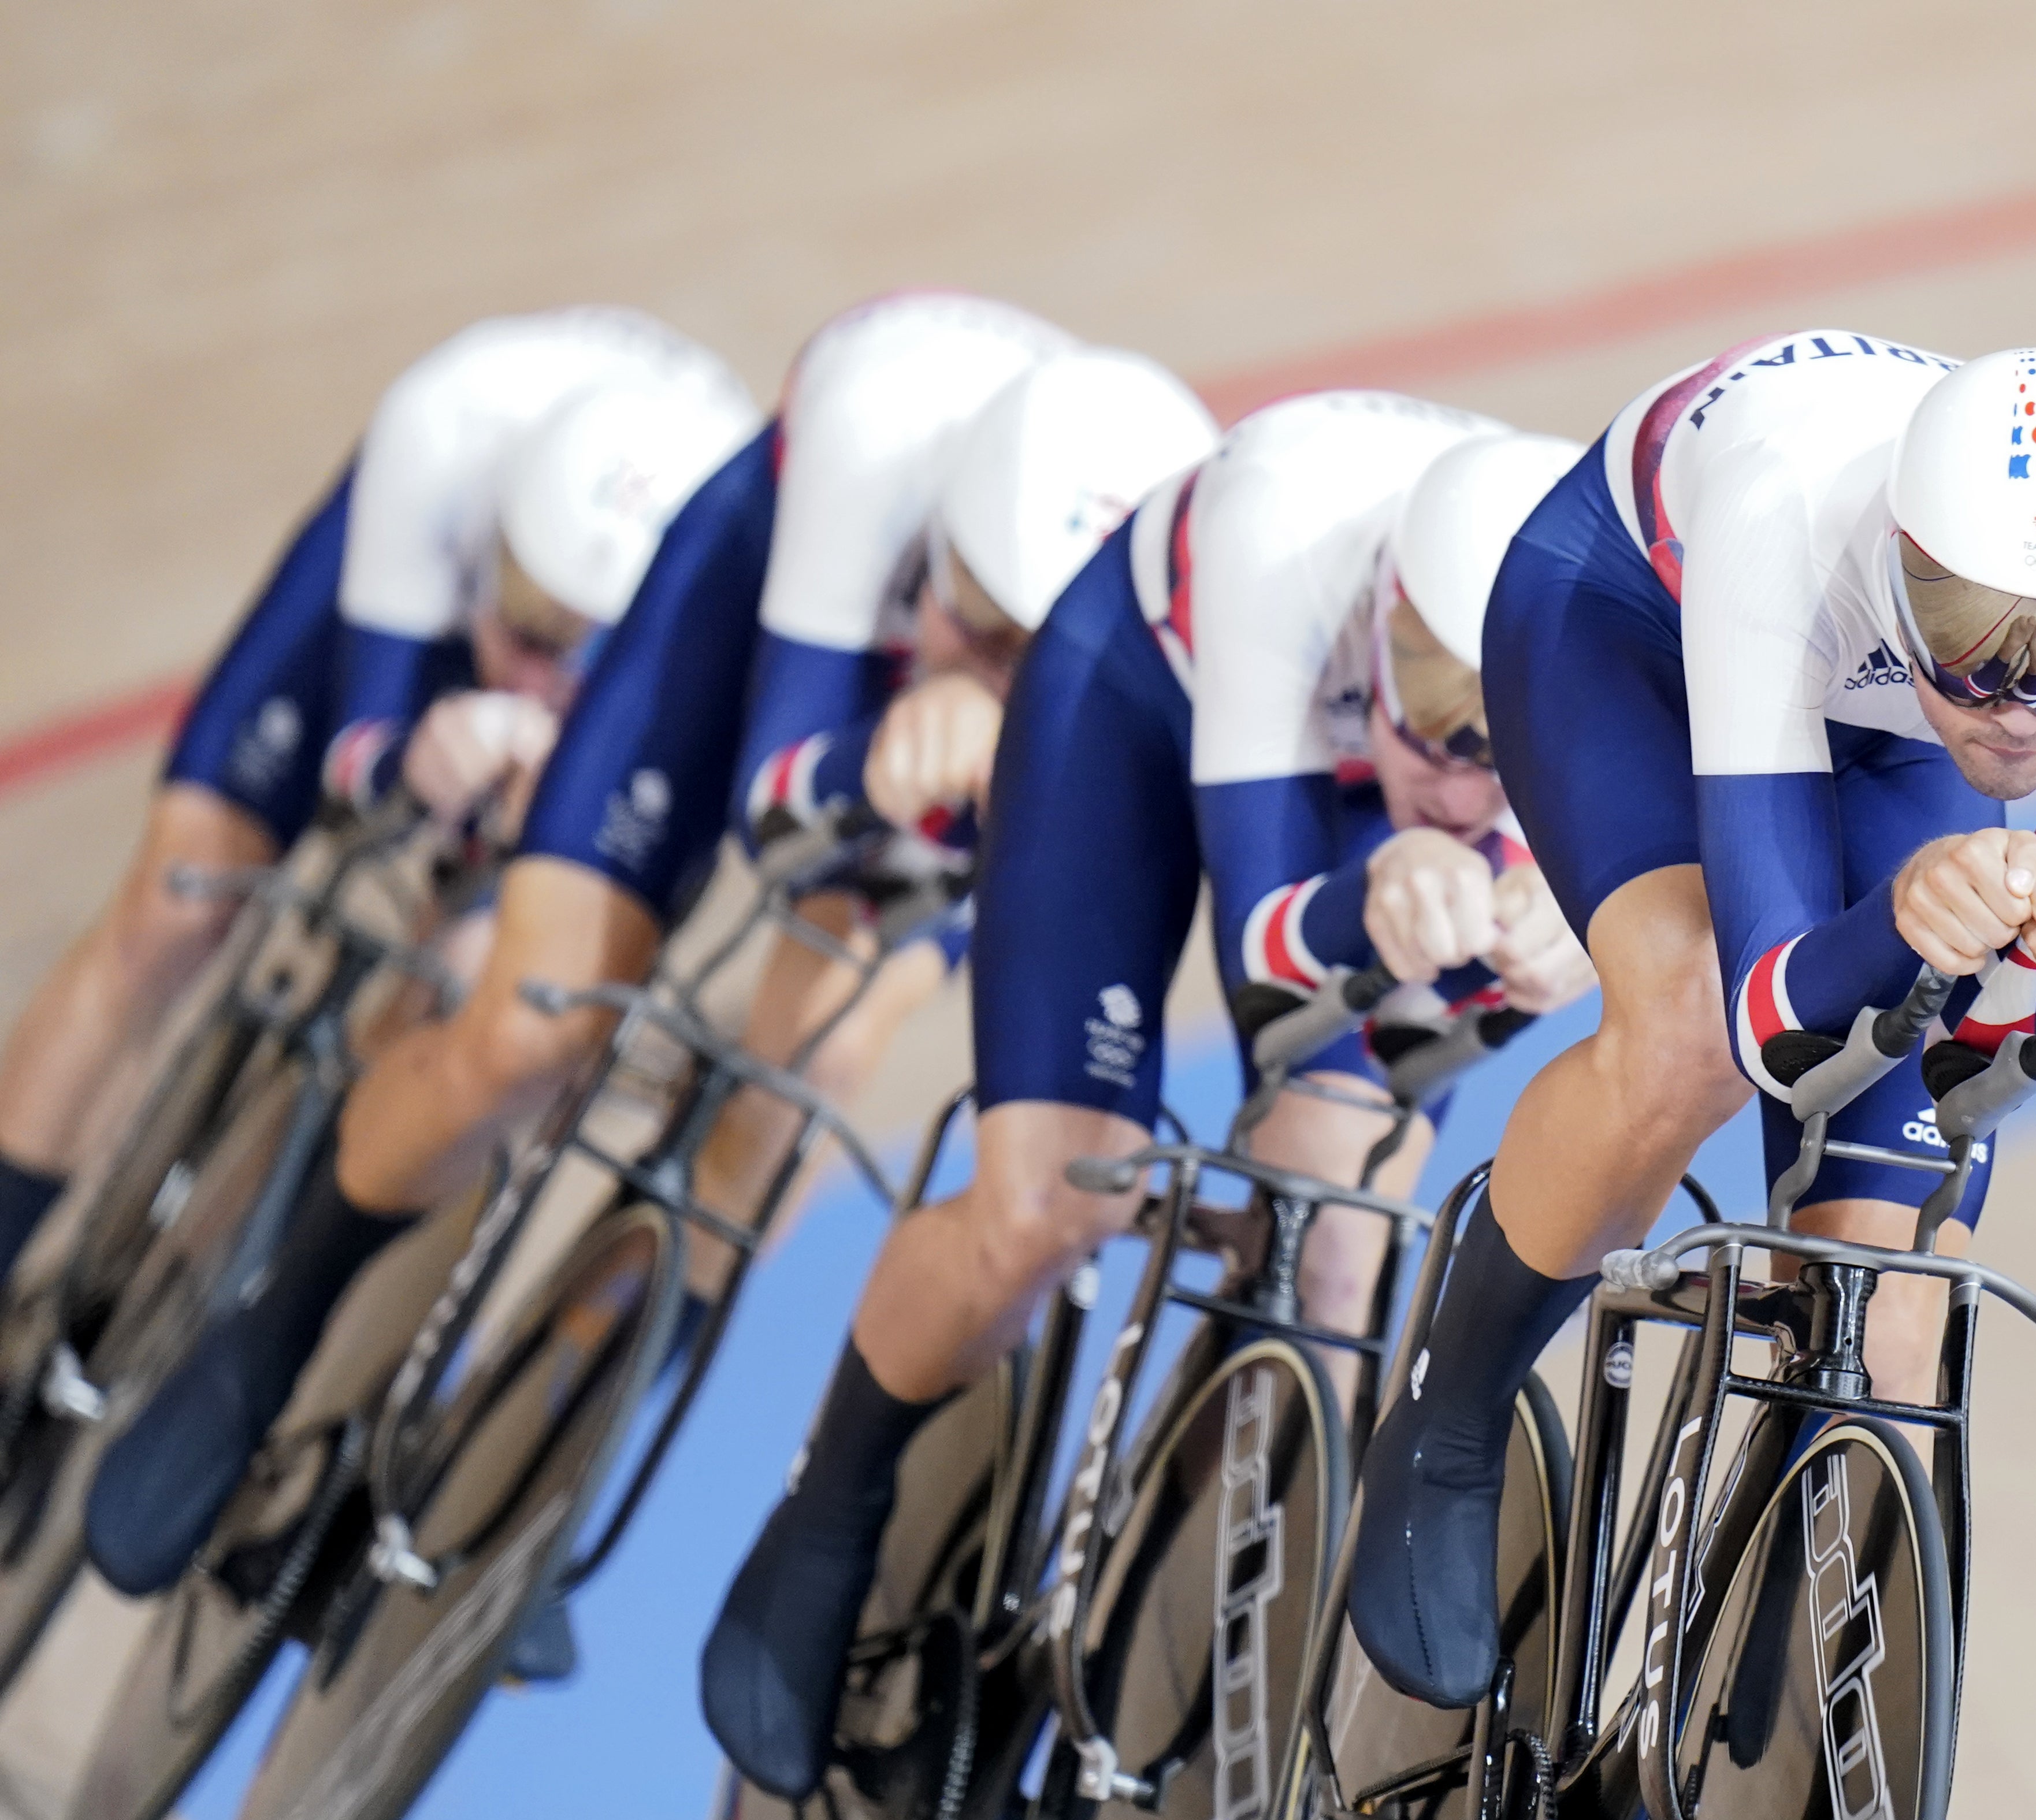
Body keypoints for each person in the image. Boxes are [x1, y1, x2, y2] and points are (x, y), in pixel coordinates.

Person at [81, 303, 1216, 1609]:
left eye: (1025, 643)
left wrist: (991, 750)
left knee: (817, 1070)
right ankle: (264, 1340)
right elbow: (778, 811)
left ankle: (537, 1451)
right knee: (537, 1023)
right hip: (767, 623)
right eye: (969, 606)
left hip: (996, 750)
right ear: (938, 537)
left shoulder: (1161, 640)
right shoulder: (876, 436)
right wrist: (884, 756)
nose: (978, 646)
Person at [1346, 337, 2036, 1708]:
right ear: (1900, 554)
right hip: (1630, 626)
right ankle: (1447, 1421)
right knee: (1677, 1042)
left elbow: (1978, 1052)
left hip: (1887, 709)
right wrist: (1912, 911)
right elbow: (1771, 1016)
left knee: (1892, 1317)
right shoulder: (1785, 511)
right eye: (1971, 628)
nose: (2022, 709)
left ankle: (1731, 1709)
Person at [700, 393, 1599, 1800]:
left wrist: (1556, 925)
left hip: (1363, 805)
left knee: (1337, 1249)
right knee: (1046, 1203)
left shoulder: (1603, 644)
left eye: (1511, 736)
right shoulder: (1285, 539)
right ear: (1383, 611)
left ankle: (1110, 1603)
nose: (1464, 760)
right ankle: (828, 1512)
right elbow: (1265, 955)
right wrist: (1381, 900)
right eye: (1436, 704)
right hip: (1140, 703)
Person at [0, 310, 756, 1294]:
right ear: (481, 559)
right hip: (402, 591)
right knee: (178, 903)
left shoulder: (724, 595)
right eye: (525, 638)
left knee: (476, 991)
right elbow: (361, 757)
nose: (536, 687)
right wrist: (408, 760)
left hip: (658, 675)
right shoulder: (443, 433)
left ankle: (205, 1299)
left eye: (575, 674)